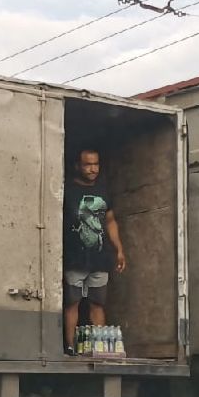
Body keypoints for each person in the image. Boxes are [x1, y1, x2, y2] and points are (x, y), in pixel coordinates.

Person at [63, 148, 126, 353]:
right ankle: (71, 346)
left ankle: (100, 347)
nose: (92, 169)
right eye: (88, 164)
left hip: (100, 259)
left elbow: (110, 221)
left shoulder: (103, 191)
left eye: (96, 164)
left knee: (98, 303)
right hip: (75, 259)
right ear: (77, 166)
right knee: (72, 302)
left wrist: (119, 249)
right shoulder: (67, 191)